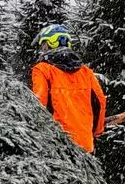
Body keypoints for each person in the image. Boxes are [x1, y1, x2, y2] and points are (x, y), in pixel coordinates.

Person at [30, 22, 107, 154]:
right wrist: (95, 132)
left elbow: (38, 104)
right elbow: (100, 102)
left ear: (51, 43)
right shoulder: (85, 71)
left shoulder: (42, 69)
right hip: (85, 145)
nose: (42, 49)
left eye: (43, 44)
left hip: (56, 144)